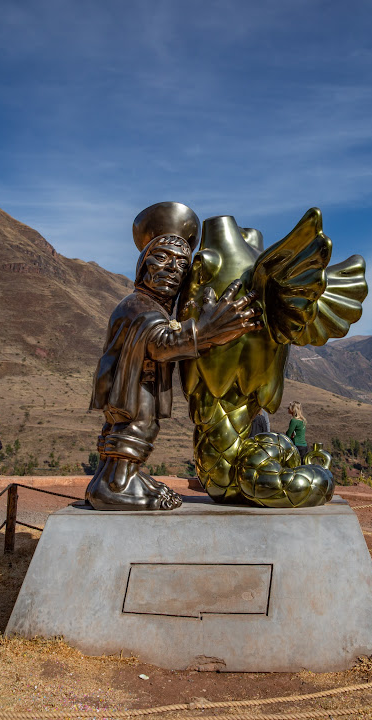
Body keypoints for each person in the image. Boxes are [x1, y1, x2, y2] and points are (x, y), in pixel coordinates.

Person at [86, 202, 262, 511]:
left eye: (182, 264)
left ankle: (118, 476)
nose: (173, 269)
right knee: (137, 422)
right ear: (144, 263)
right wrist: (206, 331)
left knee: (140, 422)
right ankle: (115, 484)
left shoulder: (155, 307)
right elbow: (159, 342)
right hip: (132, 386)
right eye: (162, 257)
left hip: (139, 381)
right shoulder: (138, 305)